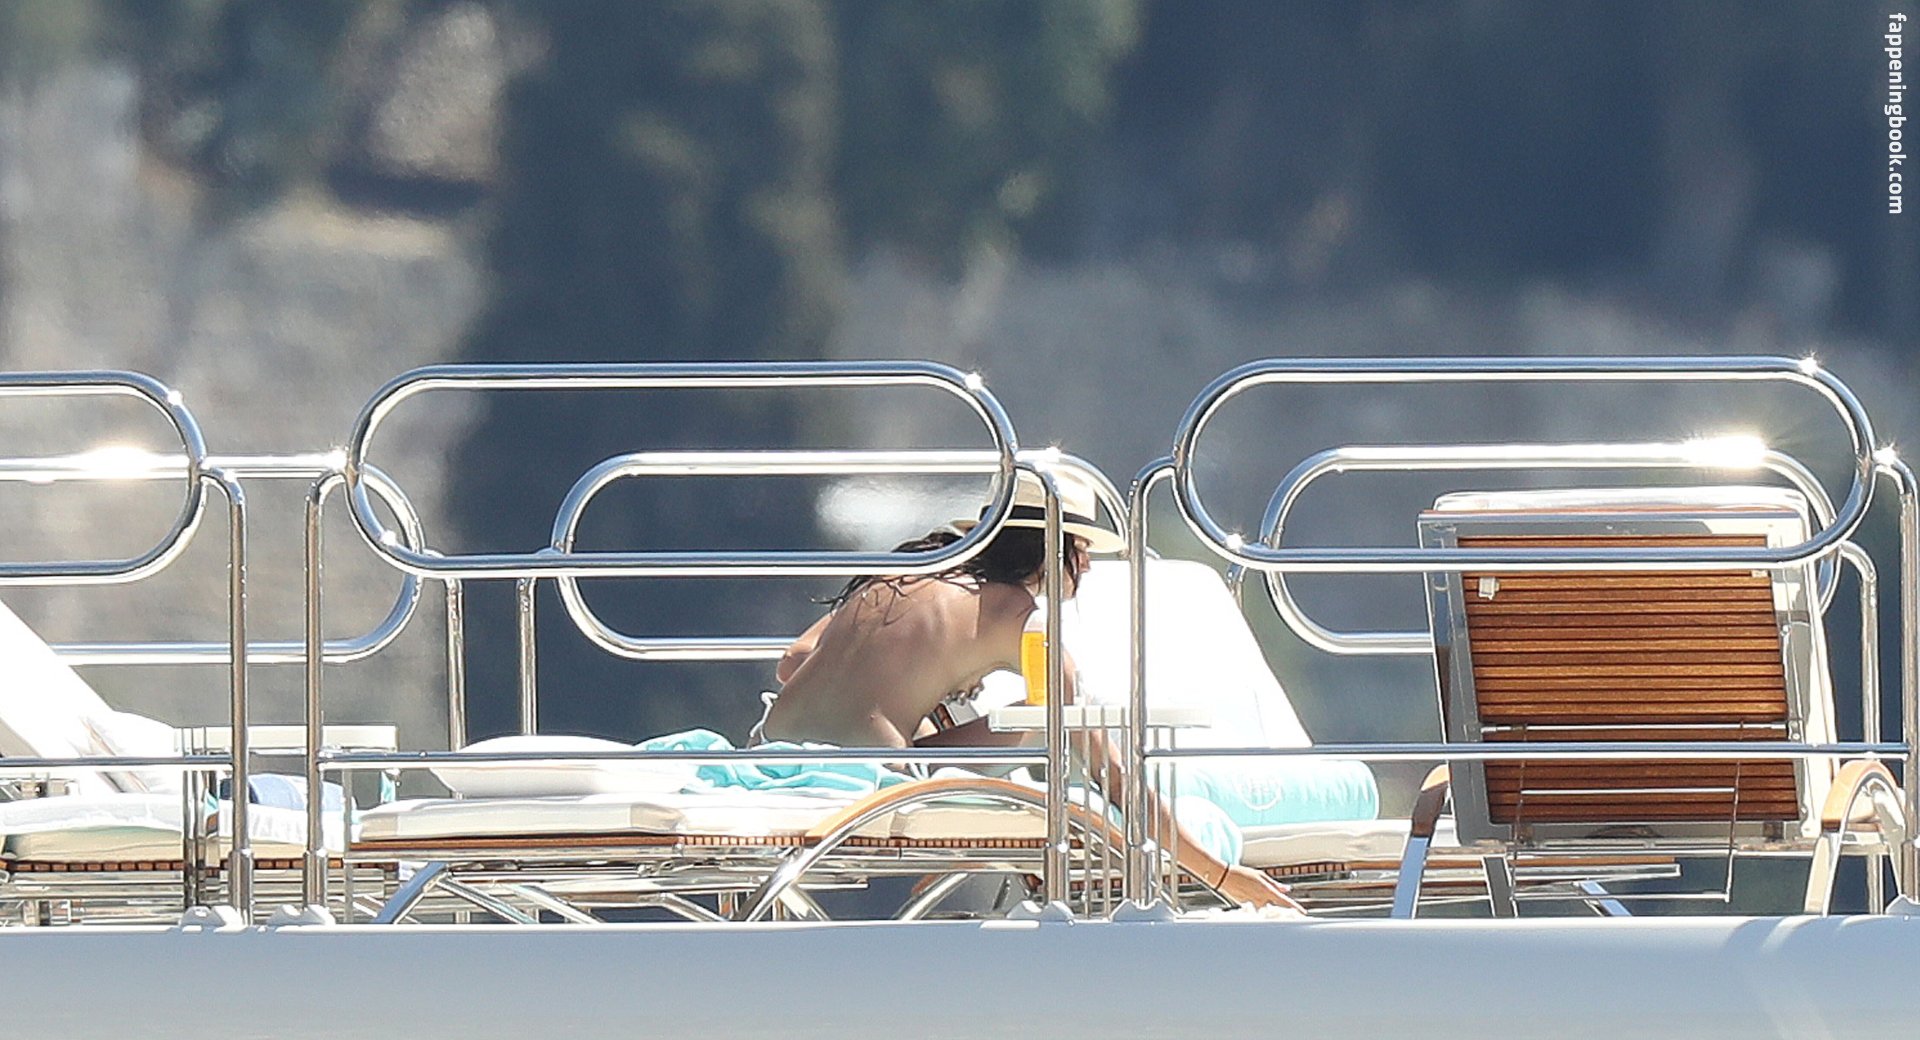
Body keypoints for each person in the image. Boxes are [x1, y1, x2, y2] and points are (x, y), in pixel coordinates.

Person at [760, 468, 1297, 910]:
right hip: (870, 785)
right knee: (1049, 716)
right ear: (1052, 550)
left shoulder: (904, 573)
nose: (1088, 565)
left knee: (1039, 711)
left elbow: (794, 662)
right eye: (1081, 549)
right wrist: (1218, 873)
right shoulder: (1017, 616)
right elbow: (1110, 774)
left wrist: (920, 696)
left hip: (769, 747)